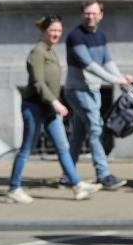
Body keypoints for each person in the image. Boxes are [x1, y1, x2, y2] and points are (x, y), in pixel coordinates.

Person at [8, 15, 102, 203]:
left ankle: (77, 186)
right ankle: (14, 188)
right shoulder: (37, 52)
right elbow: (38, 83)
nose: (56, 34)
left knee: (63, 148)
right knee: (26, 149)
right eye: (52, 30)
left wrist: (54, 103)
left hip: (49, 109)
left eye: (59, 30)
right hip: (35, 107)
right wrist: (55, 102)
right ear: (44, 31)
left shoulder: (50, 51)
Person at [63, 0, 131, 190]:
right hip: (78, 90)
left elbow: (107, 61)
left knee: (78, 134)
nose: (90, 17)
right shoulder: (75, 36)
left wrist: (122, 77)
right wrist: (115, 80)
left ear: (101, 15)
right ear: (82, 14)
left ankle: (67, 175)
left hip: (93, 90)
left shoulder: (100, 36)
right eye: (87, 13)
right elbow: (89, 65)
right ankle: (103, 174)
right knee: (96, 129)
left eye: (94, 13)